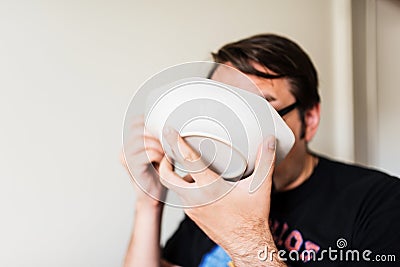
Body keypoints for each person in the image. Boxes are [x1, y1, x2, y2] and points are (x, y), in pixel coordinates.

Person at [122, 34, 400, 267]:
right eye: (225, 109)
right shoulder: (218, 189)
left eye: (260, 110)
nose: (235, 129)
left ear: (310, 120)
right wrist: (150, 203)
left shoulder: (380, 203)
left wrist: (245, 240)